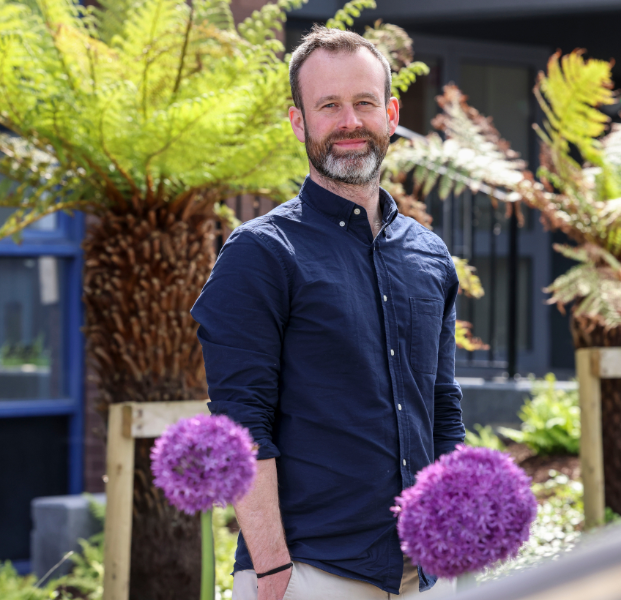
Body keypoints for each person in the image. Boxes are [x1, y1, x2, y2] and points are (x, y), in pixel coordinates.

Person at [191, 25, 464, 600]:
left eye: (364, 102)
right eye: (329, 106)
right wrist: (270, 570)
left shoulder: (430, 255)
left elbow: (442, 408)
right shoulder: (260, 254)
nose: (349, 122)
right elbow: (240, 424)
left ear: (390, 114)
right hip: (311, 574)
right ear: (299, 123)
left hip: (427, 573)